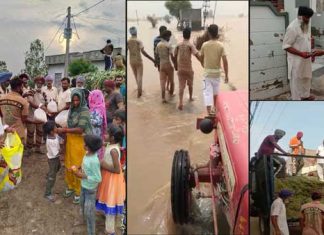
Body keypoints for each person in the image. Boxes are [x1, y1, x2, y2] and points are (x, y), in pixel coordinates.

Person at [57, 89, 93, 204]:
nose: (76, 102)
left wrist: (65, 129)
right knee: (69, 162)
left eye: (77, 100)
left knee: (77, 164)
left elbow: (81, 129)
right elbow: (69, 123)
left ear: (82, 99)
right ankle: (71, 185)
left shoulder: (85, 110)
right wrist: (64, 139)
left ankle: (78, 190)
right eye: (73, 100)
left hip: (80, 140)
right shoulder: (72, 109)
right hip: (71, 139)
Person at [96, 124, 125, 235]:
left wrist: (103, 164)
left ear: (112, 137)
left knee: (110, 199)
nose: (105, 134)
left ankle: (110, 230)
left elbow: (117, 169)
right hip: (108, 177)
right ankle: (107, 215)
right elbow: (102, 144)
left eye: (107, 133)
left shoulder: (113, 150)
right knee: (107, 197)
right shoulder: (111, 144)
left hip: (112, 179)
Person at [282, 6, 315, 100]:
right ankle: (296, 99)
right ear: (300, 16)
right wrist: (301, 54)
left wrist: (311, 51)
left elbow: (307, 39)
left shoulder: (306, 24)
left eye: (309, 17)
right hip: (296, 60)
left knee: (306, 77)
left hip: (306, 58)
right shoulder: (292, 28)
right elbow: (286, 46)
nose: (308, 19)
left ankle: (306, 95)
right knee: (296, 81)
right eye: (306, 17)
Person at [74, 134, 102, 235]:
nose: (83, 144)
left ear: (89, 147)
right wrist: (78, 168)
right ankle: (83, 221)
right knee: (81, 204)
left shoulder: (94, 161)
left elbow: (98, 178)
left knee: (89, 212)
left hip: (90, 190)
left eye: (85, 143)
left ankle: (91, 232)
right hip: (83, 186)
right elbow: (84, 165)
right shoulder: (87, 154)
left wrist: (82, 175)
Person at [200, 24, 228, 115]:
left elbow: (201, 57)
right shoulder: (221, 45)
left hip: (207, 74)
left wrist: (203, 65)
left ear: (208, 33)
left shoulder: (204, 45)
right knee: (215, 93)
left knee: (207, 93)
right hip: (217, 74)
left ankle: (209, 113)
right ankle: (214, 109)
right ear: (217, 33)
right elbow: (225, 61)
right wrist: (227, 75)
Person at [174, 27, 200, 110]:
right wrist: (202, 62)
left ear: (183, 35)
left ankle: (181, 102)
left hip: (180, 68)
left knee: (181, 86)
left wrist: (175, 66)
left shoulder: (178, 45)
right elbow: (197, 55)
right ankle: (190, 98)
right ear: (190, 35)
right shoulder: (190, 45)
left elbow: (174, 56)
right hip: (188, 68)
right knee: (190, 84)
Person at [0, 77, 31, 144]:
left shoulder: (1, 98)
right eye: (21, 87)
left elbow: (1, 115)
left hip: (4, 132)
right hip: (17, 133)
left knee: (5, 152)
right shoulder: (23, 101)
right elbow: (24, 118)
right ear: (18, 87)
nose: (22, 88)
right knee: (17, 153)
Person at [128, 26, 155, 98]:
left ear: (130, 33)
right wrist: (152, 59)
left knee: (135, 75)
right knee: (140, 76)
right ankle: (139, 93)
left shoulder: (128, 41)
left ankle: (138, 89)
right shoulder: (138, 41)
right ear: (136, 32)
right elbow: (143, 52)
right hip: (138, 60)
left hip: (131, 60)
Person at [25, 76, 47, 155]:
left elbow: (45, 103)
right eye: (38, 82)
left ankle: (38, 148)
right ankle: (29, 149)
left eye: (41, 83)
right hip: (31, 116)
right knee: (30, 133)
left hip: (40, 116)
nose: (39, 84)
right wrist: (40, 106)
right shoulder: (31, 91)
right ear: (35, 83)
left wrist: (46, 109)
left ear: (42, 84)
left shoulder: (43, 93)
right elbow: (30, 102)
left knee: (40, 132)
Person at [43, 121, 62, 202]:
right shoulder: (50, 141)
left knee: (58, 167)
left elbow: (58, 139)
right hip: (53, 159)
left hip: (55, 158)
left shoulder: (54, 135)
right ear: (51, 131)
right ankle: (47, 193)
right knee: (52, 176)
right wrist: (63, 150)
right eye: (55, 127)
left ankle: (49, 174)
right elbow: (56, 152)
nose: (56, 128)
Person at [156, 30, 176, 103]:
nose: (170, 38)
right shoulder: (168, 45)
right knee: (171, 81)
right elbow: (172, 57)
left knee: (162, 82)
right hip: (168, 64)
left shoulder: (158, 45)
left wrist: (156, 63)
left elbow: (157, 55)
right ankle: (171, 94)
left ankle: (163, 98)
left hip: (161, 65)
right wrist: (175, 64)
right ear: (167, 36)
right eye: (169, 36)